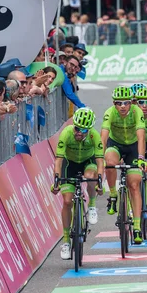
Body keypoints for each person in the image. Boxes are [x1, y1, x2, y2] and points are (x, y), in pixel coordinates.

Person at [52, 108, 104, 260]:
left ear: (89, 130)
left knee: (90, 177)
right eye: (77, 128)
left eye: (83, 130)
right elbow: (59, 160)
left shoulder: (94, 135)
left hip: (88, 162)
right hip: (70, 164)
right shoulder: (67, 133)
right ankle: (66, 241)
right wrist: (56, 180)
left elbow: (100, 161)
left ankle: (92, 205)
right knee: (67, 201)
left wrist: (99, 181)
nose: (79, 132)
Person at [101, 86, 147, 245]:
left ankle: (136, 226)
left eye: (126, 103)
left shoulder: (137, 112)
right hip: (116, 145)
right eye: (119, 103)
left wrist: (141, 158)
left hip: (134, 147)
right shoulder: (109, 113)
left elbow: (141, 137)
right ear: (114, 104)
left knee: (134, 184)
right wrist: (99, 157)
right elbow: (103, 136)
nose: (122, 106)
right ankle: (113, 194)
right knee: (109, 162)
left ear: (130, 103)